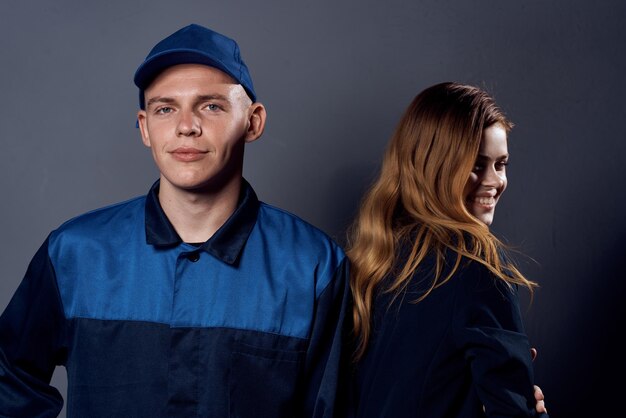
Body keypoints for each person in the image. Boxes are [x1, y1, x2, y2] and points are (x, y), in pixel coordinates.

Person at [0, 24, 349, 417]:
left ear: (252, 122)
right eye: (165, 108)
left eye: (211, 106)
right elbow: (9, 378)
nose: (186, 126)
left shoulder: (312, 266)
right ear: (146, 128)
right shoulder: (76, 254)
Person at [346, 82, 549, 417]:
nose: (494, 181)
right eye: (477, 164)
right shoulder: (474, 266)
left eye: (501, 164)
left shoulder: (371, 263)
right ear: (436, 166)